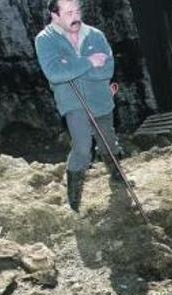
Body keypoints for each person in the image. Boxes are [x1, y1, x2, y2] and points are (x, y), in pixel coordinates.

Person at [35, 0, 123, 212]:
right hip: (72, 102)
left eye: (77, 10)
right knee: (83, 148)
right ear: (54, 15)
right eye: (68, 12)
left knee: (108, 141)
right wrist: (90, 61)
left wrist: (73, 67)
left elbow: (107, 70)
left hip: (100, 97)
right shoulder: (45, 40)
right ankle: (74, 200)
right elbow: (54, 74)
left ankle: (117, 175)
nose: (75, 16)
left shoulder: (95, 35)